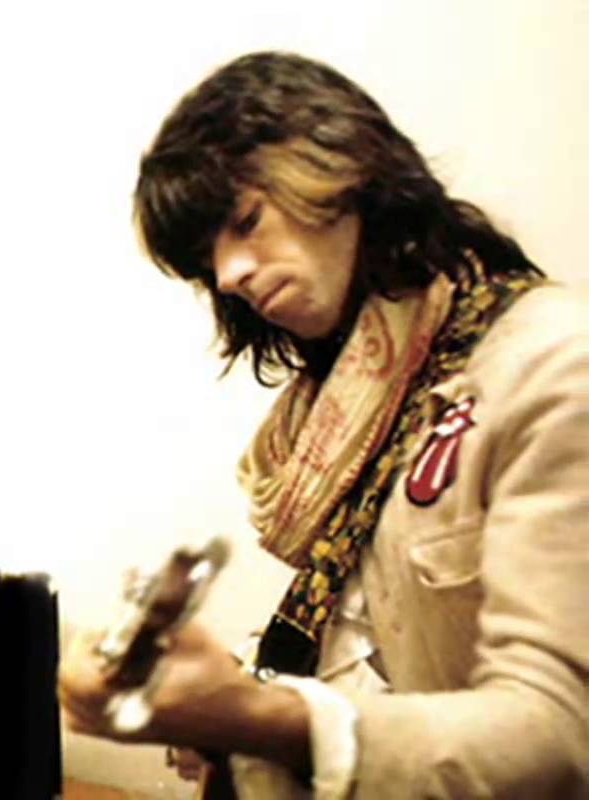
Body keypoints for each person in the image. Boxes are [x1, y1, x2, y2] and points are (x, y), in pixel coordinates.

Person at [59, 51, 589, 798]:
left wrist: (254, 716)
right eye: (210, 261)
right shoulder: (358, 405)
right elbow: (373, 658)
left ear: (341, 169)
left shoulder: (555, 367)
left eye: (247, 221)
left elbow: (559, 737)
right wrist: (217, 708)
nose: (230, 276)